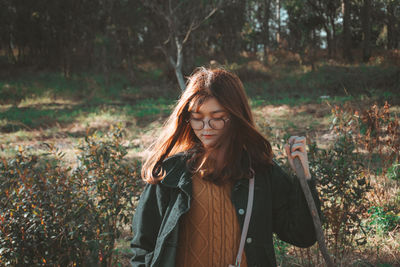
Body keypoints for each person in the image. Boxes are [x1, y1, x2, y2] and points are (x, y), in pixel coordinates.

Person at [130, 67, 321, 267]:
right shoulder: (169, 175)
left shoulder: (262, 173)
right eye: (197, 117)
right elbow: (142, 246)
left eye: (216, 117)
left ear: (235, 116)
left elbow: (302, 235)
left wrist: (304, 177)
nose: (205, 127)